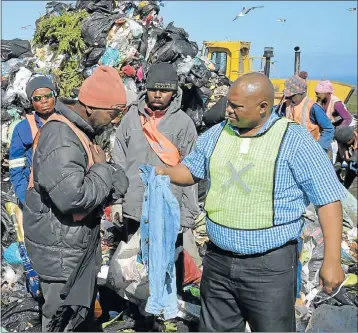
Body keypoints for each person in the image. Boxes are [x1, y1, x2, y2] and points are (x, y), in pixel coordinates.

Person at [156, 72, 346, 332]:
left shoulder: (295, 141)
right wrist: (164, 172)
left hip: (269, 267)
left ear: (263, 108)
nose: (228, 111)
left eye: (236, 106)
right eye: (228, 103)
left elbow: (328, 200)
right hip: (218, 261)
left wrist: (332, 261)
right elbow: (192, 171)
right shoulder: (217, 135)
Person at [23, 66, 129, 332]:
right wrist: (104, 169)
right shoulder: (62, 136)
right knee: (62, 320)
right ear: (92, 107)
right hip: (61, 253)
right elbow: (74, 197)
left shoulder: (78, 131)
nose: (116, 120)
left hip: (71, 248)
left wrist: (105, 174)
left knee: (75, 319)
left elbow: (107, 183)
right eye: (114, 113)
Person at [113, 62, 202, 274]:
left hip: (168, 210)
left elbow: (191, 172)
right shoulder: (131, 119)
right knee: (132, 270)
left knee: (165, 271)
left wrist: (187, 215)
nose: (158, 95)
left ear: (174, 92)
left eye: (164, 90)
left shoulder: (183, 124)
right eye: (154, 89)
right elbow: (118, 162)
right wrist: (117, 201)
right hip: (134, 208)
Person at [9, 75, 57, 205]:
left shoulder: (67, 121)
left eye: (48, 95)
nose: (44, 101)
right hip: (38, 196)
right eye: (37, 98)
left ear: (55, 96)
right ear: (31, 102)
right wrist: (26, 198)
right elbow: (16, 168)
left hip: (66, 191)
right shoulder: (23, 129)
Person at [283, 75, 335, 152]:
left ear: (301, 93)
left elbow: (329, 129)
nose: (289, 98)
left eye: (292, 95)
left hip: (311, 149)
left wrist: (320, 149)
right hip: (293, 149)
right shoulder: (286, 105)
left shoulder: (313, 107)